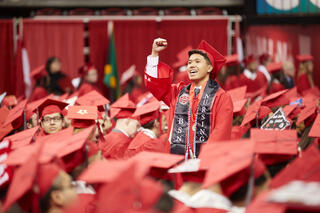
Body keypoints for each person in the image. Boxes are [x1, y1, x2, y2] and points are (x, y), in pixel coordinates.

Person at [144, 38, 233, 159]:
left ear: (209, 68)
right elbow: (155, 85)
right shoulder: (178, 93)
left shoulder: (221, 97)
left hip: (205, 163)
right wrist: (154, 54)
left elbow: (221, 132)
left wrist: (203, 159)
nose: (192, 65)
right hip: (178, 162)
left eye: (197, 61)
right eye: (190, 62)